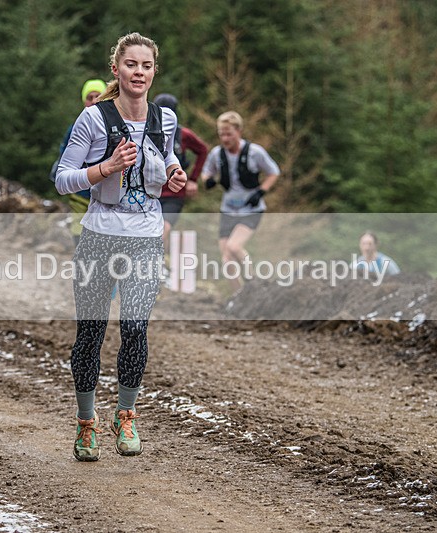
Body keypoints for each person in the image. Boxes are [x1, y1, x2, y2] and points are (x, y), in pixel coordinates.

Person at [54, 32, 187, 461]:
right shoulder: (93, 119)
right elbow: (62, 178)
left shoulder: (164, 118)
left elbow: (166, 156)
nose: (139, 73)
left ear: (154, 71)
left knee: (134, 328)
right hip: (99, 236)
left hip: (146, 238)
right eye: (131, 64)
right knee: (91, 332)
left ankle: (125, 414)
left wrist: (175, 173)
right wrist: (105, 168)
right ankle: (86, 423)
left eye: (146, 66)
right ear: (116, 69)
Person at [200, 111, 280, 291]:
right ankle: (239, 295)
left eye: (229, 133)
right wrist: (208, 180)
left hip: (251, 209)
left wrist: (261, 191)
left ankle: (254, 283)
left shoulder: (255, 152)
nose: (225, 138)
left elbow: (274, 172)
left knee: (234, 247)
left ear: (239, 131)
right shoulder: (217, 154)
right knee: (226, 258)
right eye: (221, 134)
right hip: (228, 209)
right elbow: (206, 172)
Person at [52, 79, 107, 246]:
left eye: (98, 96)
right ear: (84, 101)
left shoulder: (113, 125)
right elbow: (66, 157)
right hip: (80, 191)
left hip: (104, 192)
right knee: (78, 225)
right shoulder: (76, 126)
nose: (94, 100)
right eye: (90, 97)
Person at [152, 93, 209, 249]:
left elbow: (203, 150)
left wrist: (193, 179)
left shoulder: (183, 134)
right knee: (152, 233)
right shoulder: (145, 132)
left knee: (163, 230)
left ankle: (158, 267)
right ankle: (165, 263)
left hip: (173, 195)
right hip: (150, 193)